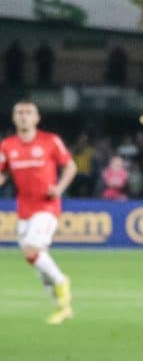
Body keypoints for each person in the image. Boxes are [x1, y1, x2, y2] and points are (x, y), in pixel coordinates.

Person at [0, 100, 77, 324]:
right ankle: (62, 307)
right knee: (36, 262)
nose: (24, 116)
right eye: (19, 113)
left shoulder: (50, 141)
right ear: (14, 118)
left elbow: (70, 166)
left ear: (36, 118)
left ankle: (62, 281)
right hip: (24, 209)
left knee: (31, 250)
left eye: (28, 113)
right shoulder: (7, 146)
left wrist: (60, 188)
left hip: (46, 207)